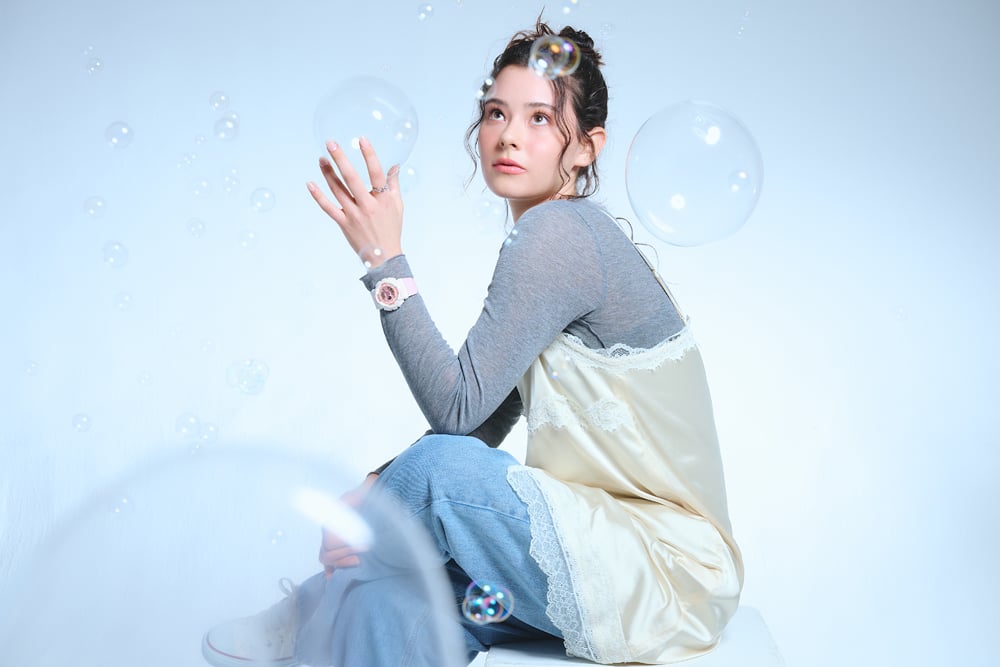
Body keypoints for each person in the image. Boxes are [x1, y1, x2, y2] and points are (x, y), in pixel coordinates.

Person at [201, 17, 743, 667]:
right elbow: (483, 420)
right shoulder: (555, 238)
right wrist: (380, 481)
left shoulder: (560, 236)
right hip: (599, 560)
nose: (508, 134)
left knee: (437, 473)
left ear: (586, 148)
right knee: (392, 606)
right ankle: (334, 618)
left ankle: (316, 601)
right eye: (495, 112)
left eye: (539, 118)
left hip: (659, 569)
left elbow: (454, 418)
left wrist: (384, 260)